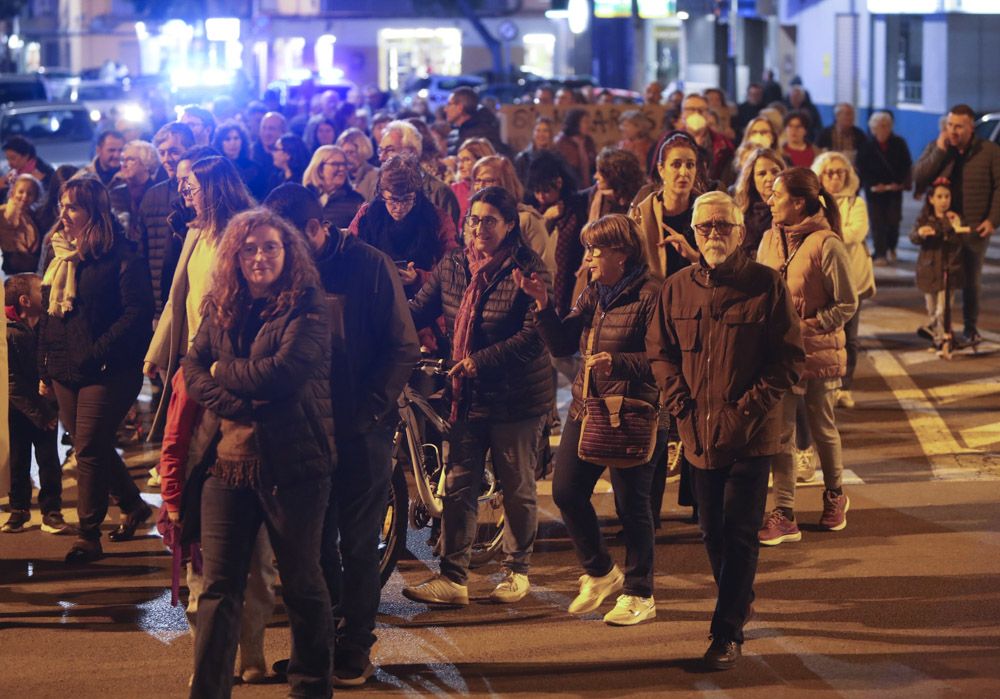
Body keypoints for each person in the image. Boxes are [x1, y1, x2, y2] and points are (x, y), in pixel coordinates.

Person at [263, 183, 419, 687]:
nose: (281, 253)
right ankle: (317, 643)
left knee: (356, 543)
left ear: (316, 227)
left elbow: (401, 347)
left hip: (361, 429)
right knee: (311, 544)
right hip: (305, 431)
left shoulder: (370, 265)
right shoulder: (286, 272)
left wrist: (370, 412)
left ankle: (355, 645)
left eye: (289, 240)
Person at [646, 190, 805, 670]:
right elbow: (661, 353)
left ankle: (727, 630)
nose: (713, 234)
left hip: (752, 435)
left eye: (723, 226)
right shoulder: (675, 288)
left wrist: (745, 410)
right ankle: (739, 596)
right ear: (693, 233)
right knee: (710, 529)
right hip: (698, 433)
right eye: (704, 227)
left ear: (741, 232)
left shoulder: (765, 285)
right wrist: (680, 408)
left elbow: (788, 360)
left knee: (739, 532)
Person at [182, 208, 335, 699]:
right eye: (248, 249)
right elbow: (192, 367)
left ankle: (311, 688)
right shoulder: (222, 302)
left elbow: (282, 375)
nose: (259, 256)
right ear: (234, 256)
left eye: (270, 246)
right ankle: (207, 691)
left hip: (292, 465)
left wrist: (223, 372)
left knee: (302, 583)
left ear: (288, 251)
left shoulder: (308, 305)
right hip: (225, 466)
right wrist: (239, 394)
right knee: (218, 590)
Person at [402, 186, 552, 607]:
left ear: (509, 226)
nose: (479, 228)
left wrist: (478, 361)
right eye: (474, 219)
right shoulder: (454, 264)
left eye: (490, 221)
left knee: (516, 481)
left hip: (517, 395)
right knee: (460, 481)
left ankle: (516, 569)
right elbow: (420, 308)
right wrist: (385, 319)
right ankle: (454, 578)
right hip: (467, 394)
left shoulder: (527, 267)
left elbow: (533, 337)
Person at [516, 213, 667, 625]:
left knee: (632, 505)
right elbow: (564, 342)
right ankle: (601, 571)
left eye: (596, 249)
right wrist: (543, 306)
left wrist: (617, 362)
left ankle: (640, 592)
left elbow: (662, 360)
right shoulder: (594, 291)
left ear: (622, 252)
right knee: (566, 490)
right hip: (591, 406)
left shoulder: (653, 293)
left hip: (634, 410)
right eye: (588, 248)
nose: (589, 257)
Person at [38, 176, 155, 563]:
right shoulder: (56, 251)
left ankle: (88, 534)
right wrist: (45, 364)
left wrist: (97, 350)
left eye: (72, 207)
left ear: (93, 211)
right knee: (94, 443)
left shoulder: (122, 255)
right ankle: (133, 504)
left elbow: (137, 313)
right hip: (65, 365)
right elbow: (49, 312)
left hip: (108, 369)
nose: (64, 215)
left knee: (87, 447)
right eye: (62, 206)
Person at [756, 167, 857, 546]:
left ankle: (835, 494)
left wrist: (810, 325)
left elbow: (848, 301)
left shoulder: (826, 243)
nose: (770, 201)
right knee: (780, 433)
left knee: (821, 427)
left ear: (798, 202)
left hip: (818, 353)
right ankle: (784, 513)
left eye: (776, 195)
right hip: (779, 355)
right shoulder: (769, 239)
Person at [913, 104, 1000, 346]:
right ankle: (940, 328)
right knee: (940, 281)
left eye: (958, 126)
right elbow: (919, 177)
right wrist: (939, 151)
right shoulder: (939, 148)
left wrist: (992, 220)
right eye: (950, 125)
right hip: (941, 227)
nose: (953, 130)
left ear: (971, 127)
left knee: (971, 280)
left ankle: (970, 328)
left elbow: (999, 188)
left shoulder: (990, 151)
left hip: (973, 227)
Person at [2, 273, 69, 535]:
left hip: (45, 405)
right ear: (25, 300)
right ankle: (18, 510)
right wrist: (39, 414)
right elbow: (12, 384)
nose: (48, 293)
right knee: (18, 460)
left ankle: (51, 511)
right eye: (41, 290)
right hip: (18, 410)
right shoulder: (8, 333)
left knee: (49, 461)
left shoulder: (48, 324)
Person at [349, 154, 458, 299]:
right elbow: (350, 253)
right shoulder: (366, 215)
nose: (399, 207)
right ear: (382, 194)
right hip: (373, 296)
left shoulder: (437, 218)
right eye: (393, 199)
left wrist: (418, 278)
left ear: (416, 196)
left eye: (407, 199)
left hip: (423, 302)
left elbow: (453, 270)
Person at [813, 152, 874, 409]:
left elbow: (856, 232)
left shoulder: (856, 203)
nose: (835, 177)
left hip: (853, 276)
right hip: (822, 277)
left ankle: (845, 386)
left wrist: (825, 232)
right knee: (824, 333)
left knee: (850, 336)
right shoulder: (813, 202)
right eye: (830, 172)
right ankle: (825, 384)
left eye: (840, 172)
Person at [138, 122, 196, 312]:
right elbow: (144, 254)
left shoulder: (201, 194)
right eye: (162, 153)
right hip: (162, 302)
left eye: (173, 152)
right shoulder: (152, 195)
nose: (167, 159)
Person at [632, 131, 705, 279]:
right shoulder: (643, 213)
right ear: (661, 170)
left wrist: (693, 256)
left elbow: (721, 269)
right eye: (676, 165)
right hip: (653, 296)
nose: (684, 172)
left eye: (690, 165)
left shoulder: (706, 211)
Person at [526, 151, 588, 318]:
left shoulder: (576, 208)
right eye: (536, 191)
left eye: (545, 191)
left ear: (559, 183)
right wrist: (545, 219)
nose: (540, 197)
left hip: (569, 279)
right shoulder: (534, 209)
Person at [910, 180, 966, 352]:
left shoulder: (953, 218)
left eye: (947, 196)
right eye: (939, 197)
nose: (944, 200)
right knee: (932, 308)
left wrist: (955, 227)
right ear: (931, 199)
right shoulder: (925, 219)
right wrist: (921, 233)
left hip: (947, 271)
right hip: (928, 270)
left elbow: (959, 241)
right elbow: (914, 237)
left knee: (943, 309)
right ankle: (937, 337)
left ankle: (942, 340)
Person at [378, 119, 460, 229]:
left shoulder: (439, 192)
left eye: (390, 150)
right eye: (380, 150)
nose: (382, 157)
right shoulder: (379, 188)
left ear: (412, 152)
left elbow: (448, 238)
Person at [857, 111, 912, 266]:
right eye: (880, 126)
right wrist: (873, 184)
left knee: (893, 220)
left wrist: (899, 182)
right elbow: (862, 167)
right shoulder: (867, 145)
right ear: (873, 128)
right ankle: (880, 252)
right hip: (874, 191)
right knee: (877, 221)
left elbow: (906, 164)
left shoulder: (899, 143)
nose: (883, 129)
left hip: (894, 190)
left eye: (886, 125)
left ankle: (891, 247)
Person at [472, 155, 548, 260]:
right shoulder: (473, 219)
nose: (480, 186)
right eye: (477, 180)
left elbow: (544, 266)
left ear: (505, 181)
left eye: (488, 180)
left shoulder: (527, 219)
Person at [733, 147, 785, 258]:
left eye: (775, 171)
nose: (770, 178)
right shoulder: (740, 211)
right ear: (752, 178)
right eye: (762, 174)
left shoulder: (791, 212)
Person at [109, 140, 159, 244]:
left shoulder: (158, 193)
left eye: (130, 159)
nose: (124, 165)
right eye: (122, 160)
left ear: (147, 163)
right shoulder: (115, 194)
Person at [302, 145, 364, 228]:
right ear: (319, 168)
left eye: (344, 164)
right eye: (335, 164)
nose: (342, 168)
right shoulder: (304, 197)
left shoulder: (355, 200)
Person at [678, 93, 734, 183]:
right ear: (682, 114)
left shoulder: (724, 144)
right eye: (691, 109)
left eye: (701, 110)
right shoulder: (671, 142)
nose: (696, 114)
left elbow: (727, 178)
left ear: (708, 114)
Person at [212, 121, 270, 201]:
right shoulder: (215, 168)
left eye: (236, 138)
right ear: (220, 143)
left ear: (242, 141)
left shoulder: (255, 168)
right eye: (227, 139)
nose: (233, 143)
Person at [0, 174, 43, 274]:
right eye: (21, 191)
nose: (24, 196)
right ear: (13, 192)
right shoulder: (3, 212)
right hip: (7, 270)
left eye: (30, 194)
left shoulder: (31, 215)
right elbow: (10, 223)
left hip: (25, 270)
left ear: (35, 197)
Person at [444, 86, 504, 155]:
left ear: (460, 107)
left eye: (449, 104)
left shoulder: (481, 134)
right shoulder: (456, 132)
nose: (445, 109)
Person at [451, 137, 496, 221]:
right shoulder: (454, 189)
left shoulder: (494, 188)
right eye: (459, 161)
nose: (460, 166)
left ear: (481, 161)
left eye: (466, 160)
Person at [554, 108, 598, 190]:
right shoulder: (562, 143)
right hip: (570, 188)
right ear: (575, 123)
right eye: (585, 122)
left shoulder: (588, 141)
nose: (588, 125)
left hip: (589, 188)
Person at [336, 127, 379, 201]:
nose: (347, 157)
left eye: (351, 152)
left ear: (362, 151)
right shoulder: (339, 175)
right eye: (344, 153)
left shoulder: (375, 175)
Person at [514, 116, 555, 185]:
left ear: (551, 134)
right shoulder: (523, 159)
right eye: (538, 130)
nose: (541, 134)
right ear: (533, 133)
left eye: (545, 131)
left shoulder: (557, 158)